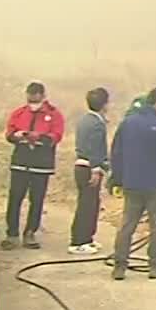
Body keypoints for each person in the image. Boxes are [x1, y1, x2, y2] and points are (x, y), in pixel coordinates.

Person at [110, 84, 156, 280]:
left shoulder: (127, 122)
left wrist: (118, 179)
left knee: (127, 224)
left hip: (132, 183)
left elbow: (117, 153)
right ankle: (155, 267)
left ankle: (119, 266)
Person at [2, 82, 64, 250]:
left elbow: (57, 135)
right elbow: (9, 133)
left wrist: (40, 137)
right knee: (15, 198)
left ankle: (30, 232)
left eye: (36, 98)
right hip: (20, 161)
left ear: (43, 96)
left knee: (37, 200)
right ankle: (12, 233)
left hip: (41, 164)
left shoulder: (54, 114)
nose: (33, 102)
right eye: (30, 98)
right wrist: (18, 135)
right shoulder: (19, 113)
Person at [68, 86, 112, 254]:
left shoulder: (85, 120)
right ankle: (78, 241)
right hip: (88, 167)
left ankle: (88, 238)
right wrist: (96, 168)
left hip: (82, 166)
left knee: (92, 203)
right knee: (87, 205)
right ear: (104, 104)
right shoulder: (96, 123)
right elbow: (95, 147)